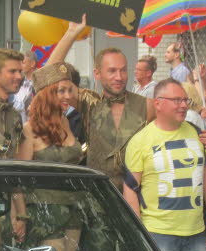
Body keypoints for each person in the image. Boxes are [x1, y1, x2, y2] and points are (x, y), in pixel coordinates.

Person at [46, 16, 156, 190]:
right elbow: (48, 79)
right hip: (100, 199)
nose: (119, 77)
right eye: (112, 71)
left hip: (137, 199)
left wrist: (202, 138)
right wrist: (71, 33)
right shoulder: (90, 103)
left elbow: (173, 130)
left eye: (123, 70)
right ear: (97, 74)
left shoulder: (147, 105)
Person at [123, 79, 206, 251]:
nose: (183, 105)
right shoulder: (140, 141)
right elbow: (130, 189)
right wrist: (139, 233)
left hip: (196, 232)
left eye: (185, 100)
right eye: (177, 100)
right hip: (157, 234)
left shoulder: (197, 133)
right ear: (157, 103)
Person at [15, 63, 84, 251]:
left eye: (69, 90)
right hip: (45, 211)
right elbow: (18, 177)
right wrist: (21, 216)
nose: (68, 96)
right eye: (61, 90)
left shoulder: (65, 121)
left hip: (73, 207)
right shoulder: (29, 129)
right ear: (46, 93)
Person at [12, 50, 37, 123]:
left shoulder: (39, 82)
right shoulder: (19, 81)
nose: (20, 66)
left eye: (23, 62)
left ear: (32, 64)